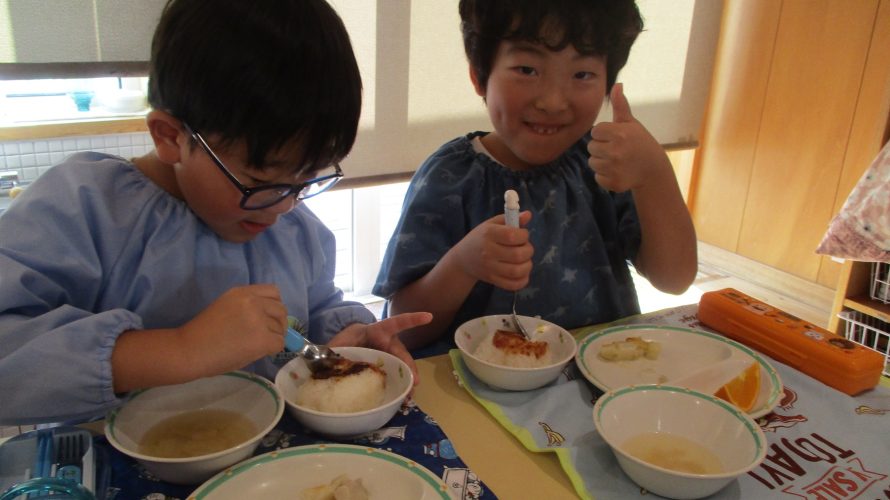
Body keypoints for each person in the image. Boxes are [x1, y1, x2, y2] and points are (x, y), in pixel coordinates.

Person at [0, 0, 431, 425]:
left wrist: (350, 340)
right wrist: (181, 349)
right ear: (170, 136)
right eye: (259, 180)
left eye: (304, 179)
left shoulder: (295, 230)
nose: (284, 206)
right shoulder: (87, 208)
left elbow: (315, 311)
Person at [374, 0, 697, 355]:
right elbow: (403, 329)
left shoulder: (602, 163)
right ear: (479, 77)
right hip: (474, 384)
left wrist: (655, 173)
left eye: (582, 74)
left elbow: (674, 278)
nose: (553, 102)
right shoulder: (449, 177)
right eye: (527, 69)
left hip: (601, 373)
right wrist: (462, 264)